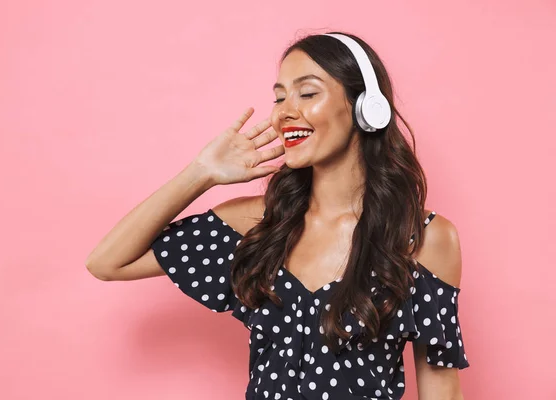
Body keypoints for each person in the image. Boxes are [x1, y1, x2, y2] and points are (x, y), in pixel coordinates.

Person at [86, 31, 469, 400]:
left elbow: (442, 390)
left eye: (307, 93)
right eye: (279, 97)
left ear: (366, 108)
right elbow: (107, 262)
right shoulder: (256, 225)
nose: (286, 113)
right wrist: (200, 174)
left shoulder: (423, 238)